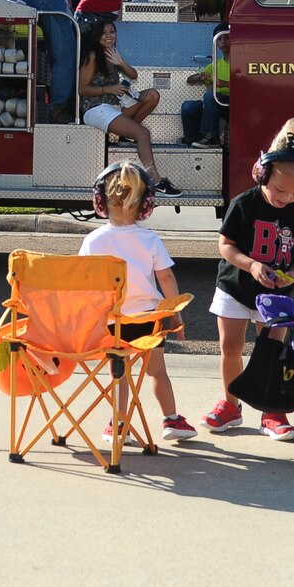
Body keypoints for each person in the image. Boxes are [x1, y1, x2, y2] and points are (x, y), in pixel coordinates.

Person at [202, 115, 294, 440]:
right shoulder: (244, 204)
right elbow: (225, 246)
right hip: (235, 286)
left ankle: (272, 412)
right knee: (230, 347)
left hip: (275, 295)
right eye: (278, 189)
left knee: (272, 353)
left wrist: (292, 274)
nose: (284, 198)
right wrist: (251, 265)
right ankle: (231, 405)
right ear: (263, 172)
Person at [79, 160, 196, 443]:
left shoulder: (94, 241)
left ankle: (119, 424)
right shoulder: (150, 239)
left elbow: (82, 283)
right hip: (147, 321)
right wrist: (175, 313)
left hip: (111, 322)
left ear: (100, 201)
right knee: (157, 372)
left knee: (119, 374)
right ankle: (171, 420)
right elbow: (166, 279)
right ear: (146, 205)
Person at [77, 18, 175, 195]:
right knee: (143, 133)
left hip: (113, 108)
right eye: (104, 33)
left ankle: (127, 134)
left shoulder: (113, 54)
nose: (109, 36)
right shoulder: (92, 55)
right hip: (96, 109)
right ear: (97, 36)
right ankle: (155, 181)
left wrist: (120, 62)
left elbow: (134, 74)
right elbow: (82, 89)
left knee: (152, 94)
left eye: (112, 32)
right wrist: (110, 89)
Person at [180, 29, 231, 147]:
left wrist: (224, 84)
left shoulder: (241, 63)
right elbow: (190, 79)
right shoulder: (216, 65)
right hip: (215, 105)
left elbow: (246, 85)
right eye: (219, 39)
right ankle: (192, 140)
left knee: (210, 95)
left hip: (232, 104)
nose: (223, 42)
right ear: (216, 44)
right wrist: (200, 77)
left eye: (227, 37)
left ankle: (212, 137)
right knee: (188, 106)